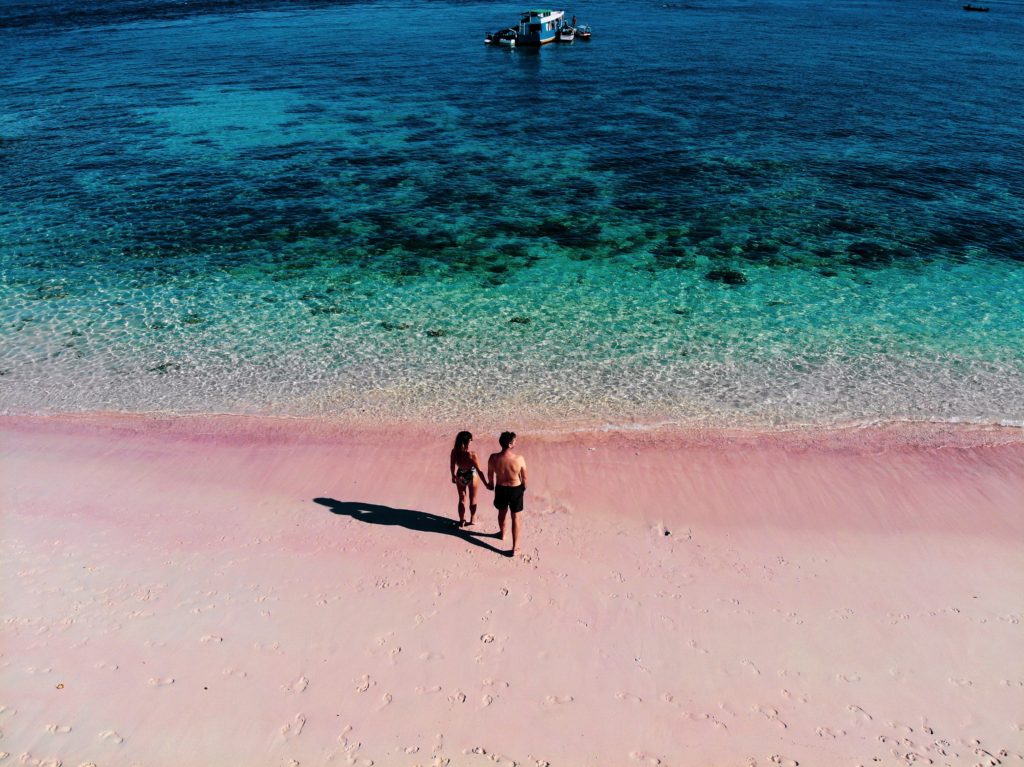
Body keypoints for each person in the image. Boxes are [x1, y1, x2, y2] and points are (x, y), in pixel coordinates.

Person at [487, 431, 528, 556]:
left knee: (502, 512)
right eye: (514, 441)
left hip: (500, 488)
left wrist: (490, 484)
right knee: (516, 517)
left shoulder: (493, 457)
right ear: (510, 445)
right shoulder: (519, 459)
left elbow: (490, 475)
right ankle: (515, 548)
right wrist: (523, 488)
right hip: (515, 489)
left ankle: (502, 533)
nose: (516, 442)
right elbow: (525, 478)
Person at [450, 431, 490, 527]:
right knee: (473, 498)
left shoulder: (454, 452)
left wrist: (453, 476)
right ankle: (472, 519)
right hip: (472, 476)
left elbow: (452, 465)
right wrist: (486, 483)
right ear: (467, 441)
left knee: (462, 499)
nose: (472, 441)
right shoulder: (472, 454)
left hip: (460, 475)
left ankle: (461, 520)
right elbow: (479, 471)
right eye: (471, 440)